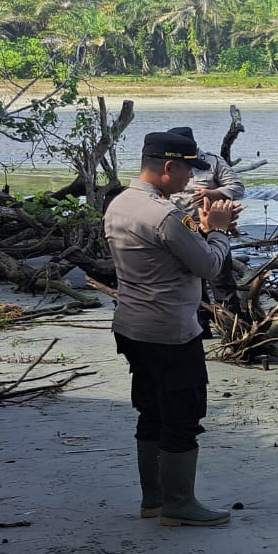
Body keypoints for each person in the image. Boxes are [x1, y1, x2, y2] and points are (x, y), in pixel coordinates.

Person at [104, 130, 238, 527]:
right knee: (182, 413)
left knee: (151, 409)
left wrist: (202, 230)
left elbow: (166, 255)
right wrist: (218, 230)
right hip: (170, 330)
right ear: (168, 166)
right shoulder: (165, 215)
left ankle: (154, 498)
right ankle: (179, 504)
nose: (191, 179)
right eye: (187, 170)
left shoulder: (119, 203)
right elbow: (209, 266)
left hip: (132, 325)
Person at [165, 126, 246, 317]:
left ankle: (232, 323)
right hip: (183, 228)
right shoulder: (169, 165)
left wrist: (214, 193)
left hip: (212, 228)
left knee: (221, 280)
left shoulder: (212, 161)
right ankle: (201, 325)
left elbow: (238, 188)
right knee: (192, 282)